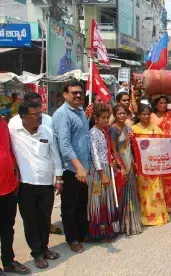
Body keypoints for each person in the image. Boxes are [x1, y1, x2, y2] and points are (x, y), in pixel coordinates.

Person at [9, 101, 62, 270]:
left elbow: (55, 155)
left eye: (41, 113)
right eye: (36, 114)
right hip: (25, 185)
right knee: (30, 221)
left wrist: (59, 178)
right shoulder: (13, 132)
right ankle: (37, 253)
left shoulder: (46, 131)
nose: (40, 117)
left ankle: (45, 248)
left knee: (45, 219)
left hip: (46, 184)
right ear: (23, 117)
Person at [52, 80, 91, 254]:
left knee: (83, 202)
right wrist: (79, 167)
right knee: (70, 206)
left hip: (84, 168)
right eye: (73, 92)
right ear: (65, 95)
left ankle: (82, 233)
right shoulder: (62, 114)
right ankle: (72, 238)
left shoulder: (80, 111)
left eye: (80, 92)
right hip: (71, 169)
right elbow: (65, 145)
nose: (77, 95)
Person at [0, 117, 31, 275]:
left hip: (9, 186)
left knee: (7, 227)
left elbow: (9, 151)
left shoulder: (3, 123)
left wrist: (16, 174)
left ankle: (8, 261)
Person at [132, 104, 169, 225]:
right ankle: (146, 217)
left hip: (155, 165)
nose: (146, 116)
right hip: (142, 166)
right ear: (139, 115)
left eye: (148, 114)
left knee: (156, 190)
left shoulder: (155, 128)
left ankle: (159, 216)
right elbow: (130, 148)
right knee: (144, 192)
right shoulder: (133, 129)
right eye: (144, 114)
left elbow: (164, 143)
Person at [88, 104, 120, 241]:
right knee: (98, 199)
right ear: (96, 119)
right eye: (104, 118)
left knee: (107, 199)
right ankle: (98, 232)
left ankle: (108, 229)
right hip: (97, 172)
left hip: (106, 167)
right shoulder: (93, 132)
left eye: (108, 117)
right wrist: (102, 174)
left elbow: (106, 151)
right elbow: (94, 154)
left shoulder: (103, 131)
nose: (107, 120)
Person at [109, 104, 142, 235]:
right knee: (121, 193)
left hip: (130, 161)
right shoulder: (113, 130)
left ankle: (132, 224)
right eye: (119, 113)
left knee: (132, 192)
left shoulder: (129, 128)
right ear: (115, 115)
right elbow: (114, 150)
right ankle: (122, 225)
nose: (122, 115)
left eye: (124, 113)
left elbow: (133, 147)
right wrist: (121, 166)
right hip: (121, 164)